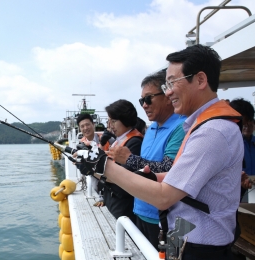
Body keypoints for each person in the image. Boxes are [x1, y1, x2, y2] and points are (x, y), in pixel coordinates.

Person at [103, 44, 243, 259]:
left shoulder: (213, 131)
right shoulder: (201, 126)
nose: (168, 92)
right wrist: (153, 176)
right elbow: (183, 178)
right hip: (183, 238)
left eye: (171, 83)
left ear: (200, 80)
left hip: (199, 249)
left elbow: (164, 198)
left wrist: (105, 167)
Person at [107, 69, 186, 248]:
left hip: (163, 217)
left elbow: (170, 168)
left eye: (149, 98)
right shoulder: (150, 129)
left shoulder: (181, 127)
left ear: (167, 95)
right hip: (140, 209)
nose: (144, 105)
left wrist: (129, 159)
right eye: (142, 100)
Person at [101, 99, 143, 223]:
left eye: (113, 121)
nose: (110, 126)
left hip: (123, 206)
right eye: (109, 121)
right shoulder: (118, 140)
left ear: (125, 119)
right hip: (112, 201)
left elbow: (125, 179)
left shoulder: (134, 142)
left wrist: (97, 173)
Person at [229, 98, 254, 202]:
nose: (246, 125)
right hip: (233, 191)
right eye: (244, 121)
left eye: (249, 120)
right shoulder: (229, 141)